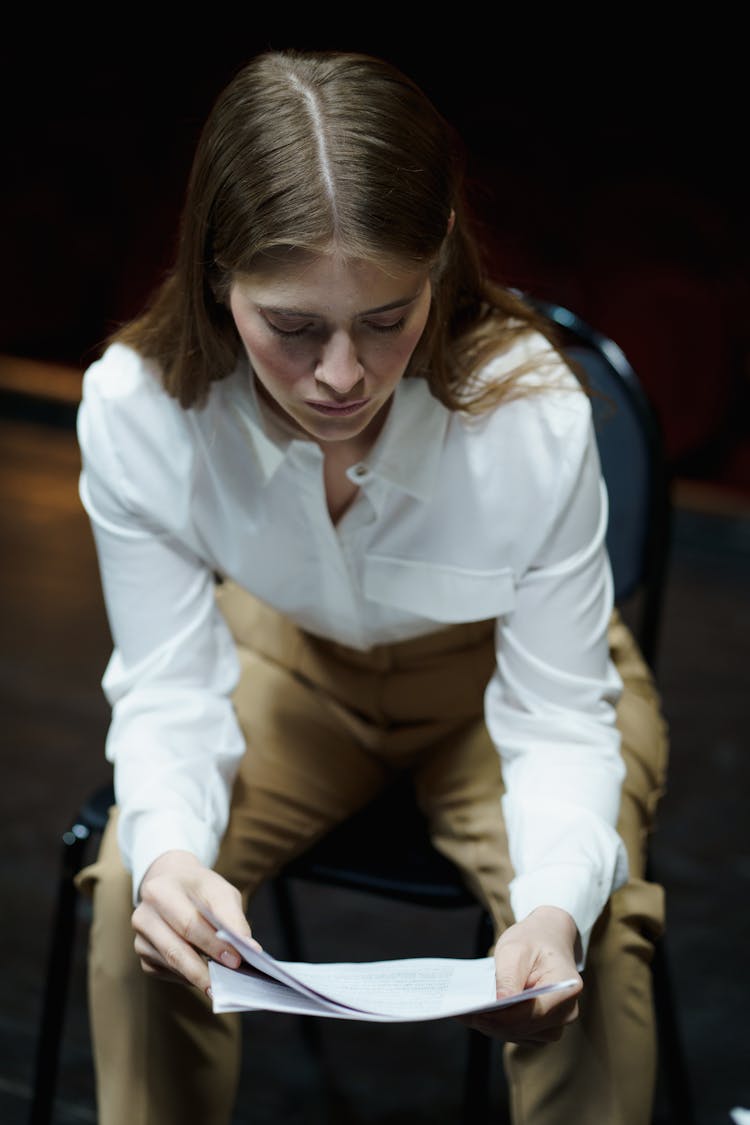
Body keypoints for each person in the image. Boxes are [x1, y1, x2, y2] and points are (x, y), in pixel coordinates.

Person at [75, 47, 668, 1125]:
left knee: (593, 937)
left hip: (506, 681)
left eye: (385, 319)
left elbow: (558, 718)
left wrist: (552, 909)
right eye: (293, 328)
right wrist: (167, 853)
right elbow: (166, 684)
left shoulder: (533, 415)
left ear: (437, 264)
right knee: (141, 897)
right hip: (291, 659)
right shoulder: (138, 408)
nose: (342, 376)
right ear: (219, 277)